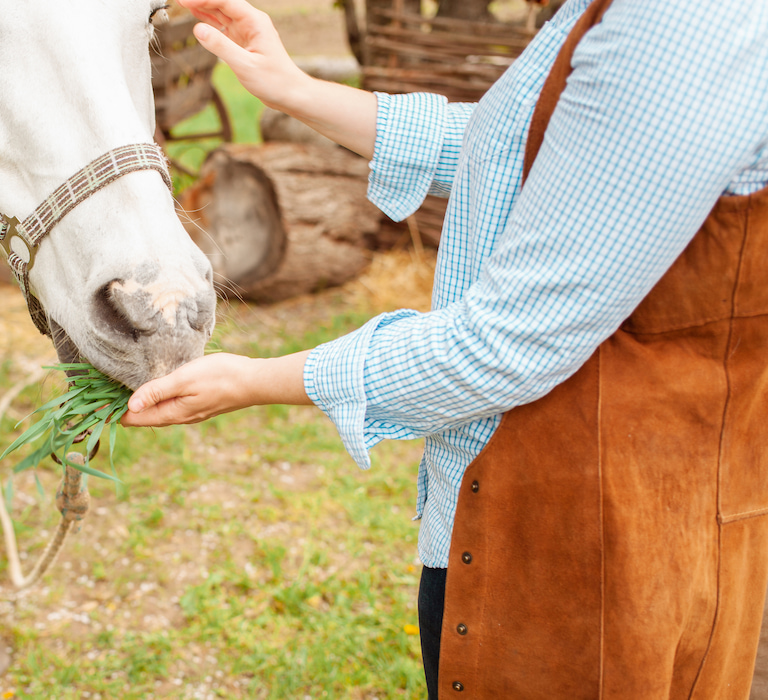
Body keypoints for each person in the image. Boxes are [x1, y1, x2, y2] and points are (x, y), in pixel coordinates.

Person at [122, 0, 768, 697]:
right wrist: (298, 91)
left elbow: (509, 339)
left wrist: (258, 380)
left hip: (591, 550)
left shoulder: (687, 18)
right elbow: (545, 154)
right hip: (552, 520)